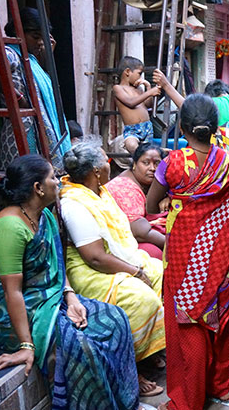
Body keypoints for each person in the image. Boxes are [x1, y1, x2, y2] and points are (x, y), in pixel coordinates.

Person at [0, 155, 142, 410]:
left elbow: (55, 266)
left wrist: (71, 296)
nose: (59, 182)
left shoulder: (45, 216)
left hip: (48, 297)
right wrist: (25, 345)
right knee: (80, 348)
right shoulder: (10, 226)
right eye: (53, 178)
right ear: (38, 188)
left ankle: (122, 401)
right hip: (10, 310)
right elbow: (12, 292)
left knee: (115, 319)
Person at [145, 94, 229, 410]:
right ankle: (219, 387)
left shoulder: (172, 163)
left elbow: (149, 206)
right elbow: (225, 206)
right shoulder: (228, 162)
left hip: (186, 254)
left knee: (188, 323)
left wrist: (171, 200)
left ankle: (186, 402)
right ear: (214, 127)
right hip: (223, 252)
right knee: (218, 317)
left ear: (183, 127)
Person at [59, 142, 166, 397]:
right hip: (91, 271)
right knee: (142, 299)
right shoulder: (74, 203)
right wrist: (135, 272)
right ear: (96, 171)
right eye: (106, 163)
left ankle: (147, 349)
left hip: (116, 257)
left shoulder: (99, 191)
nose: (110, 167)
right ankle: (131, 367)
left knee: (165, 273)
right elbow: (95, 257)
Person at [0, 7, 71, 169]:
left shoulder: (30, 59)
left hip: (38, 132)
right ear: (18, 31)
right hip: (25, 132)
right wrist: (19, 99)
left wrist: (47, 55)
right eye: (36, 37)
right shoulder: (10, 52)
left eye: (43, 37)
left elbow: (36, 85)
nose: (40, 42)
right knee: (28, 183)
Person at [106, 144, 168, 259]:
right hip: (114, 242)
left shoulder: (147, 184)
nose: (152, 168)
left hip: (134, 235)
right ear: (134, 164)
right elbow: (141, 232)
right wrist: (173, 245)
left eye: (157, 163)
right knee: (152, 252)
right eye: (146, 163)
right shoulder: (125, 187)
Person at [113, 56, 161, 155]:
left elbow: (148, 104)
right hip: (132, 129)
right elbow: (131, 103)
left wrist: (148, 87)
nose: (140, 77)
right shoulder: (118, 88)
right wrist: (150, 92)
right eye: (139, 74)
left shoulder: (138, 89)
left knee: (149, 152)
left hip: (147, 127)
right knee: (132, 146)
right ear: (127, 72)